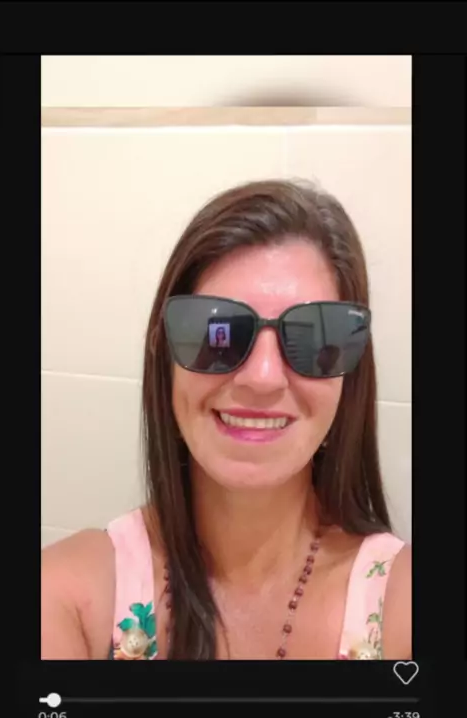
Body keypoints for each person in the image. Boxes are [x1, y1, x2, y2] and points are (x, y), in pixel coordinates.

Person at [41, 179, 411, 661]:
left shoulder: (402, 602)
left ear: (348, 377)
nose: (262, 378)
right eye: (218, 333)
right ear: (165, 357)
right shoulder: (66, 598)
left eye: (311, 339)